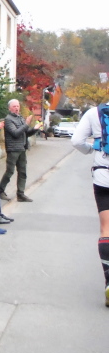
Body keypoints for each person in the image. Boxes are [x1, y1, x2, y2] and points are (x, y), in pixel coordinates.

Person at [70, 102, 109, 306]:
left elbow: (77, 140)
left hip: (103, 175)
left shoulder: (94, 113)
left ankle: (108, 280)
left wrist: (91, 149)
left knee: (106, 229)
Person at [0, 99, 42, 202]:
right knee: (10, 171)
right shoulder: (8, 119)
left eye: (17, 106)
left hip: (22, 148)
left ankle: (21, 194)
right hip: (13, 149)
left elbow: (25, 133)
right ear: (9, 108)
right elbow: (15, 133)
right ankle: (0, 190)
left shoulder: (20, 118)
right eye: (14, 106)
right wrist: (26, 124)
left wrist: (35, 129)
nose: (16, 108)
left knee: (23, 172)